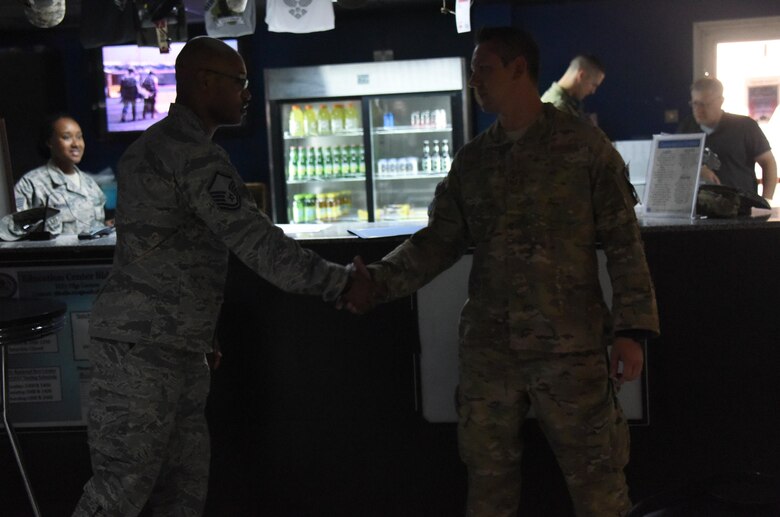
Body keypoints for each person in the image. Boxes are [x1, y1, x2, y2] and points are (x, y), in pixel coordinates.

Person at [347, 27, 659, 516]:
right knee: (488, 484)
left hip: (569, 349)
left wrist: (632, 329)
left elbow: (624, 241)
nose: (474, 81)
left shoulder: (583, 147)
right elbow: (436, 243)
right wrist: (376, 281)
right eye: (473, 72)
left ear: (519, 70)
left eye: (483, 69)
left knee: (598, 482)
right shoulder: (474, 161)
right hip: (491, 352)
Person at [71, 36, 370, 517]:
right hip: (144, 353)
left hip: (172, 347)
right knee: (121, 491)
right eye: (240, 82)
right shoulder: (193, 157)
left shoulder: (151, 147)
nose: (246, 93)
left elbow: (168, 252)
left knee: (181, 490)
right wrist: (341, 281)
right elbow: (258, 243)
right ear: (204, 81)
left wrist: (203, 332)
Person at [0, 114, 106, 239]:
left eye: (79, 137)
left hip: (93, 256)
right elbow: (11, 231)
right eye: (66, 137)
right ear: (50, 142)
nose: (76, 144)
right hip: (54, 257)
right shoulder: (31, 184)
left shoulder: (90, 184)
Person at [678, 77, 777, 200]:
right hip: (700, 207)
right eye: (695, 104)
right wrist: (698, 169)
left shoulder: (744, 126)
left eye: (704, 104)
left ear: (720, 101)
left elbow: (768, 162)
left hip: (741, 207)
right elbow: (677, 164)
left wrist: (766, 200)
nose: (698, 110)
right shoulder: (686, 128)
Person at [541, 53, 605, 124]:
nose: (593, 91)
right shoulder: (558, 108)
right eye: (593, 85)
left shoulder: (566, 104)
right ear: (581, 75)